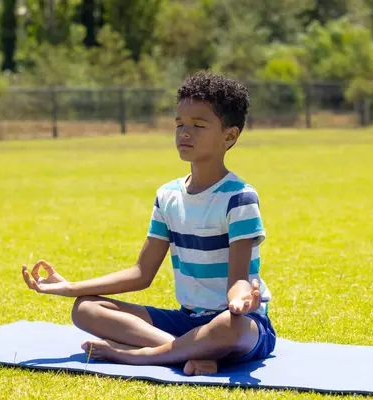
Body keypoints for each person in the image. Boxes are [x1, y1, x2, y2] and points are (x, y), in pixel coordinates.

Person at [21, 71, 276, 376]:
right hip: (188, 322)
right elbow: (141, 274)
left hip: (241, 324)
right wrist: (70, 287)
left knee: (226, 326)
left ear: (229, 136)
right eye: (179, 124)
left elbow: (237, 280)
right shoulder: (167, 195)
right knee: (86, 309)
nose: (184, 133)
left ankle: (140, 356)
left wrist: (239, 301)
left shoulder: (240, 197)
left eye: (198, 125)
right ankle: (187, 354)